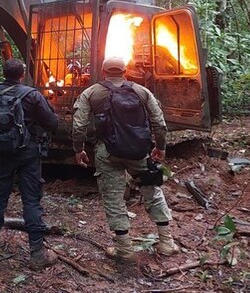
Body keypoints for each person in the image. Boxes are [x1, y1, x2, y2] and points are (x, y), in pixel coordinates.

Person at [71, 56, 179, 262]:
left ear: (103, 72)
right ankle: (166, 242)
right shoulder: (141, 91)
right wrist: (160, 147)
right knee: (152, 191)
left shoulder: (92, 92)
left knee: (113, 197)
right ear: (125, 71)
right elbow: (159, 123)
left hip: (107, 152)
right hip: (138, 151)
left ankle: (124, 249)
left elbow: (78, 126)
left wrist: (79, 149)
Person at [0, 58, 59, 270]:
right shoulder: (32, 95)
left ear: (3, 73)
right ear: (22, 75)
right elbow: (52, 123)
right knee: (31, 201)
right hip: (28, 155)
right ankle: (37, 254)